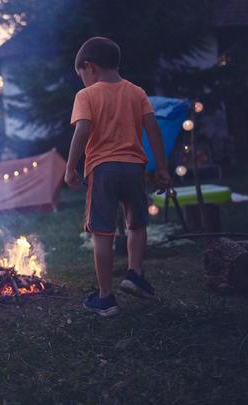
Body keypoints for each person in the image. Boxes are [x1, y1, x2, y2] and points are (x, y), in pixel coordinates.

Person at [64, 37, 171, 317]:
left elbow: (82, 130)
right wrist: (161, 167)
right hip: (135, 168)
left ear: (89, 67)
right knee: (136, 223)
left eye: (81, 76)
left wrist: (70, 167)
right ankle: (135, 274)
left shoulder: (86, 96)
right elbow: (153, 129)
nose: (82, 82)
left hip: (102, 170)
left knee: (102, 232)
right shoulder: (137, 92)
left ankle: (106, 297)